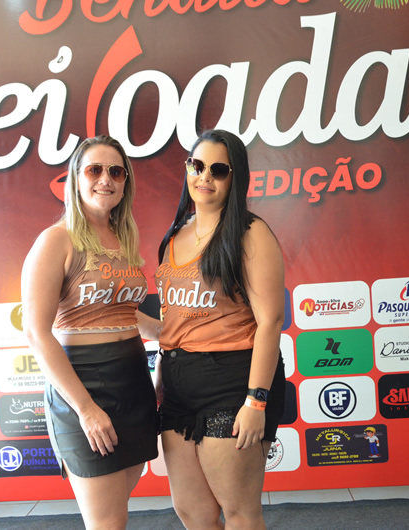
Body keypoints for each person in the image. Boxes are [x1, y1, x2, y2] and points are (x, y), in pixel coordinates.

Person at [138, 129, 286, 529]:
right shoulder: (175, 233)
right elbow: (177, 323)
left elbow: (270, 321)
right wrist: (123, 318)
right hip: (177, 386)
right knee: (193, 511)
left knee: (239, 512)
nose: (205, 176)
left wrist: (256, 401)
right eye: (197, 165)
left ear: (235, 177)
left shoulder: (250, 234)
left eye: (218, 170)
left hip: (233, 384)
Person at [21, 135, 158, 529]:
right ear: (75, 178)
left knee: (117, 511)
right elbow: (36, 333)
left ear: (126, 181)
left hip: (134, 383)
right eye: (94, 170)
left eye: (116, 171)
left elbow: (125, 313)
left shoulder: (125, 238)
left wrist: (182, 332)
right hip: (83, 387)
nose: (106, 179)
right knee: (107, 523)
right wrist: (85, 409)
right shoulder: (56, 240)